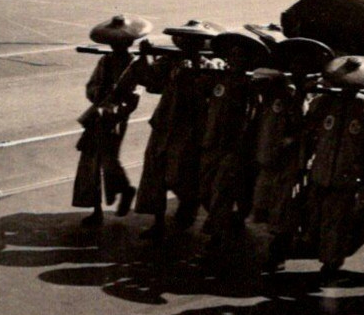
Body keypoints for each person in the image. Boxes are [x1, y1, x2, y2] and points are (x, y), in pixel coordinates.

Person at [133, 20, 223, 239]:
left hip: (190, 129)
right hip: (164, 125)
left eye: (195, 41)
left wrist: (194, 73)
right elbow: (151, 83)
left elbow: (210, 94)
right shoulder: (170, 62)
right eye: (187, 40)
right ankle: (158, 221)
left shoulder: (211, 67)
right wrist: (144, 57)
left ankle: (189, 208)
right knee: (155, 174)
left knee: (182, 175)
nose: (190, 45)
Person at [249, 38, 334, 270]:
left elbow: (305, 128)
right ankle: (274, 247)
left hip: (292, 162)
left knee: (285, 208)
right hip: (270, 158)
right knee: (265, 205)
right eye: (295, 64)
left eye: (303, 65)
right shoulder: (281, 91)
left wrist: (292, 140)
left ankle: (278, 253)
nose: (298, 69)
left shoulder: (309, 96)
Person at [303, 55, 364, 280]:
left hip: (346, 172)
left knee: (337, 220)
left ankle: (332, 262)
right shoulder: (327, 102)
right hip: (322, 167)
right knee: (317, 216)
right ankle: (322, 253)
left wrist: (362, 168)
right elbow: (311, 128)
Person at [194, 31, 272, 244]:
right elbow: (199, 90)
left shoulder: (251, 86)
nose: (235, 59)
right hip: (212, 143)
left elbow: (253, 117)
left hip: (234, 148)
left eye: (240, 56)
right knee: (205, 189)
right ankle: (229, 218)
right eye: (232, 55)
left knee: (222, 189)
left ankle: (218, 231)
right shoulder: (219, 79)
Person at [71, 15, 149, 227]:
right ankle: (97, 209)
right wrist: (98, 95)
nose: (117, 47)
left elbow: (139, 91)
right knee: (91, 162)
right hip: (98, 115)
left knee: (108, 160)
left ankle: (124, 189)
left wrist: (117, 109)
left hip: (115, 118)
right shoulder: (104, 61)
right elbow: (91, 86)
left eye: (121, 43)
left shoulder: (135, 64)